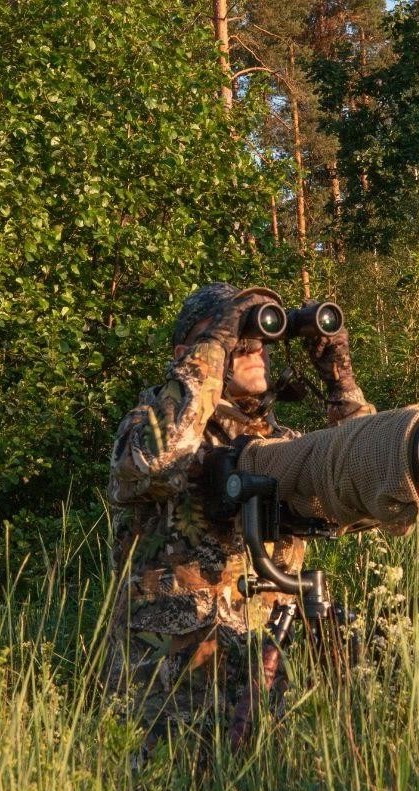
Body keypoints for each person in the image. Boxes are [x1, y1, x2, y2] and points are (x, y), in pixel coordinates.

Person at [103, 282, 376, 759]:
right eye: (237, 340)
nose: (254, 349)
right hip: (169, 677)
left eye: (260, 341)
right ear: (191, 352)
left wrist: (340, 381)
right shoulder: (146, 425)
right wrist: (215, 343)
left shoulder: (281, 443)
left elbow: (365, 482)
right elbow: (158, 456)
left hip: (264, 655)